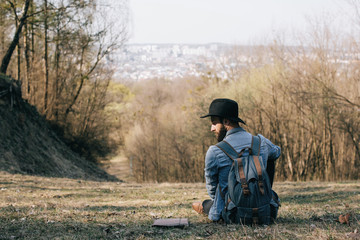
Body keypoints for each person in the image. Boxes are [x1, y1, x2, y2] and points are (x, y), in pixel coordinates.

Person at [192, 98, 281, 222]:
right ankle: (262, 198)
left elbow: (212, 188)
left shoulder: (215, 151)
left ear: (226, 121)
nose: (212, 128)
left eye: (214, 123)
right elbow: (277, 152)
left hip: (231, 214)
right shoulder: (262, 143)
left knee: (209, 203)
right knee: (270, 157)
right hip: (265, 211)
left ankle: (203, 206)